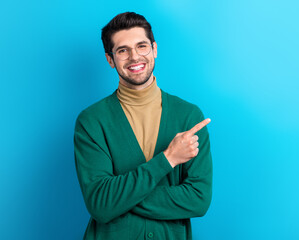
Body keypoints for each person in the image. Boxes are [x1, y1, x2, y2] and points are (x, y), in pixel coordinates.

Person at [74, 12, 212, 240]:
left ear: (154, 49)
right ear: (110, 60)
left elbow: (198, 199)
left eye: (141, 46)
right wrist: (168, 159)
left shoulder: (189, 117)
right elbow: (100, 204)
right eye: (122, 50)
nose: (134, 57)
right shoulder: (91, 121)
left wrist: (119, 198)